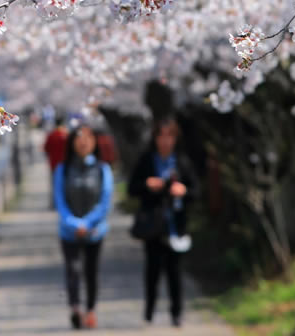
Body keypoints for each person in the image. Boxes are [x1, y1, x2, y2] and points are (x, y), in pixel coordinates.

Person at [128, 117, 197, 327]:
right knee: (152, 270)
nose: (166, 141)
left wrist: (183, 191)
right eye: (161, 136)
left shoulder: (182, 162)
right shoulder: (147, 160)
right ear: (155, 138)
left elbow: (196, 190)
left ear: (176, 138)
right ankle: (149, 311)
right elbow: (133, 188)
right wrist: (149, 184)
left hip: (176, 225)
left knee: (175, 271)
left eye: (170, 136)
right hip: (153, 225)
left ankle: (176, 313)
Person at [54, 124, 114, 330]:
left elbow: (105, 201)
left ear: (95, 142)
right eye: (79, 137)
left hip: (95, 231)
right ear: (72, 142)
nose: (83, 142)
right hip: (68, 231)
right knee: (73, 270)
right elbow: (60, 201)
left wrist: (88, 223)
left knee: (91, 271)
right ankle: (75, 309)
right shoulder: (63, 169)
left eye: (88, 137)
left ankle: (91, 310)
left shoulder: (102, 169)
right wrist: (74, 224)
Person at [44, 116, 69, 208]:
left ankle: (54, 203)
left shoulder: (51, 135)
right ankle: (64, 203)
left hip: (54, 164)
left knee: (54, 185)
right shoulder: (66, 135)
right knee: (64, 184)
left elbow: (46, 148)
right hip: (65, 164)